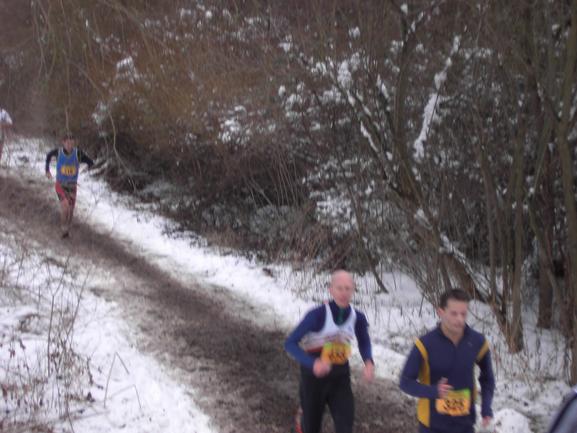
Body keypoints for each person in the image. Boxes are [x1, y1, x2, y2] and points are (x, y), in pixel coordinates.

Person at [284, 270, 374, 433]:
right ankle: (301, 423)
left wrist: (368, 361)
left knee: (345, 426)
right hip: (313, 378)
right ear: (331, 290)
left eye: (348, 288)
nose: (343, 293)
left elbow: (364, 341)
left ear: (353, 290)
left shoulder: (358, 317)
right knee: (311, 428)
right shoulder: (316, 315)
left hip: (340, 377)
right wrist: (313, 363)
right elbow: (290, 343)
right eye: (339, 288)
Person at [399, 289, 495, 433]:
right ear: (440, 312)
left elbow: (487, 378)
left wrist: (486, 407)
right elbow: (405, 382)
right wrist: (433, 391)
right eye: (454, 314)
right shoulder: (425, 344)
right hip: (432, 426)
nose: (460, 319)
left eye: (463, 314)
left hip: (465, 426)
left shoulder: (477, 342)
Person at [45, 133, 94, 238]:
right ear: (63, 143)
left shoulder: (78, 153)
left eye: (71, 143)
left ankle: (67, 229)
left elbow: (90, 162)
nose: (69, 145)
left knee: (71, 210)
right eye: (67, 143)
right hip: (60, 184)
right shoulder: (58, 152)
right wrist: (47, 170)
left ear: (74, 143)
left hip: (72, 186)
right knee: (65, 207)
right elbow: (48, 155)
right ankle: (63, 229)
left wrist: (87, 167)